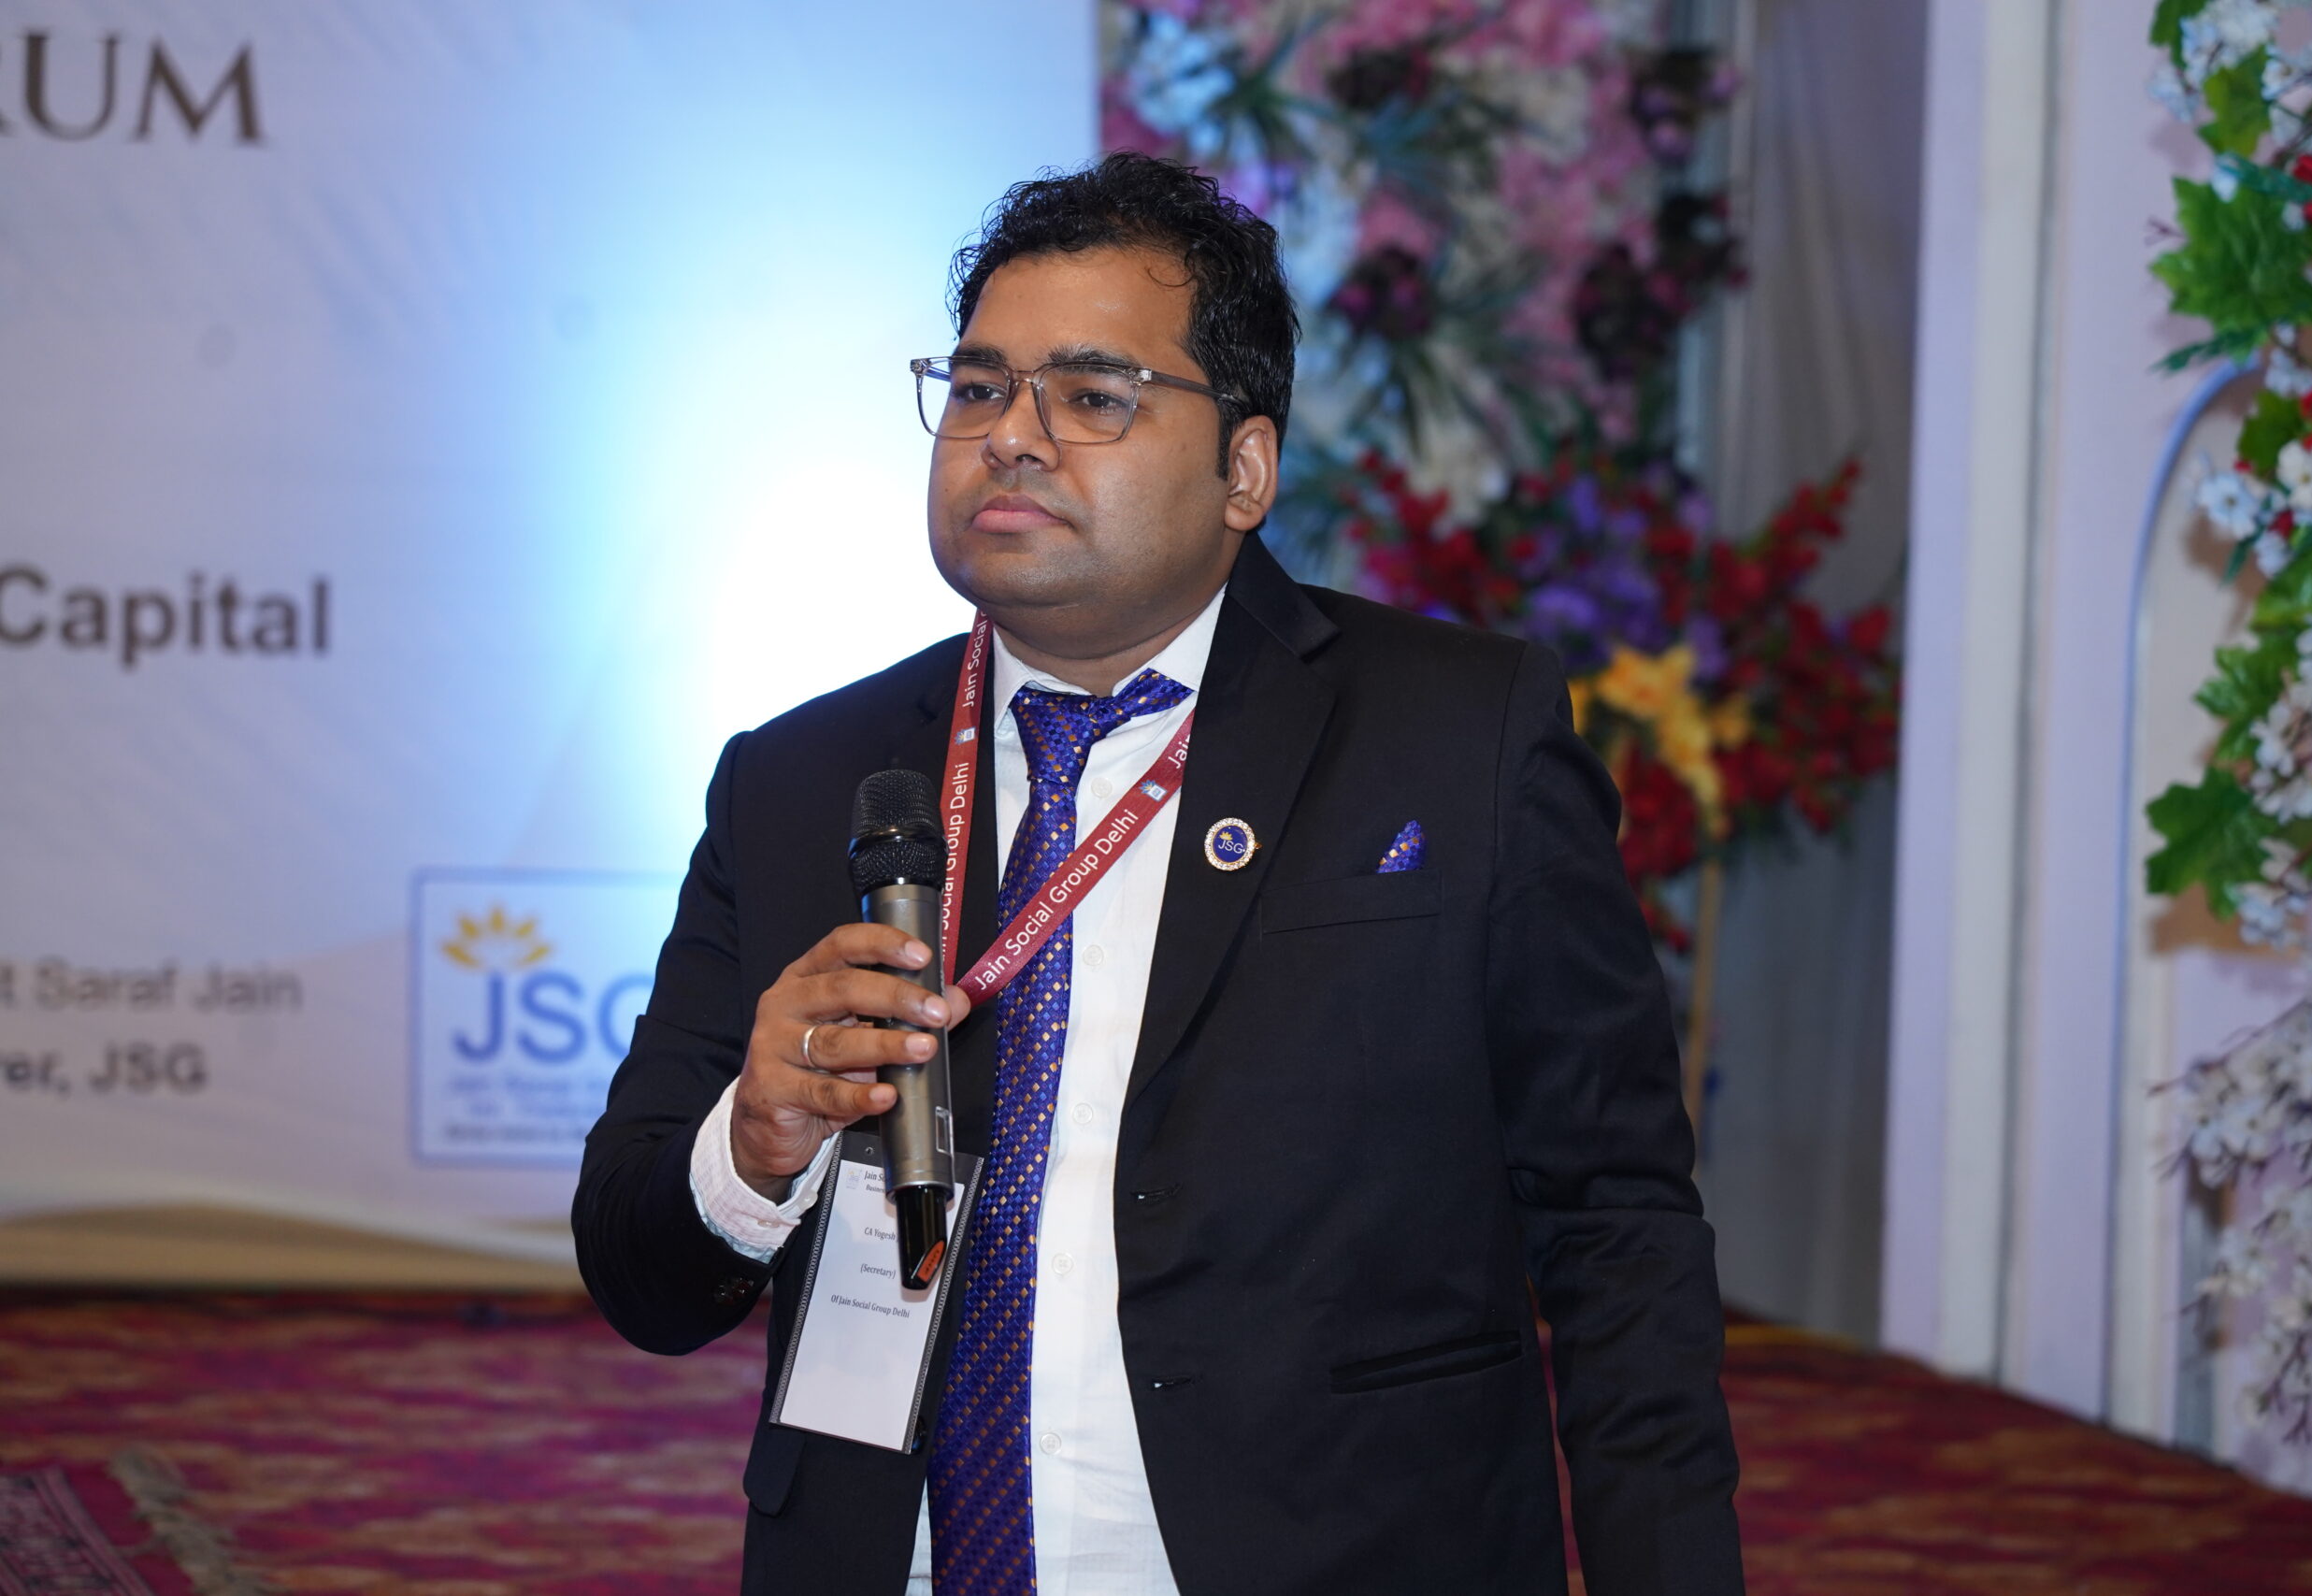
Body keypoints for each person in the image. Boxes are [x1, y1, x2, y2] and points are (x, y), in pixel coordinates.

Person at [573, 151, 1743, 1596]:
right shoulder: (803, 780)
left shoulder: (1454, 742)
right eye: (980, 387)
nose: (1013, 437)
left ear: (1244, 468)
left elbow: (1617, 1228)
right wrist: (752, 1145)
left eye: (1092, 396)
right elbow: (638, 1275)